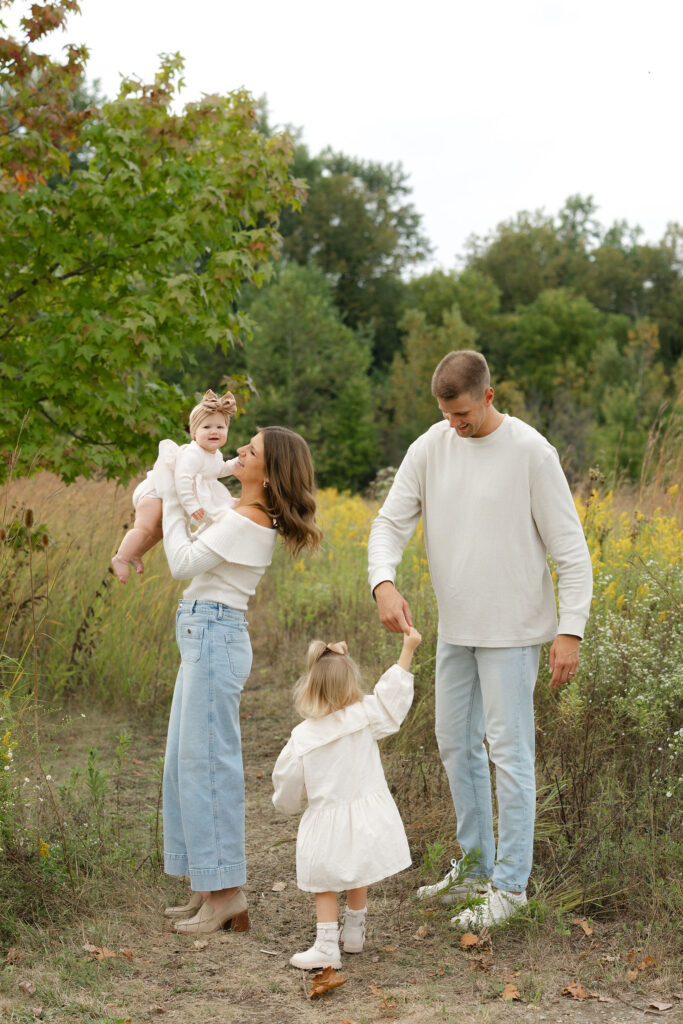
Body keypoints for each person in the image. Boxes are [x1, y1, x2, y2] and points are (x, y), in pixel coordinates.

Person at [368, 350, 593, 929]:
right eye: (446, 413)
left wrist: (569, 631)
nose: (454, 424)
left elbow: (571, 553)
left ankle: (511, 887)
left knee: (510, 756)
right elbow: (390, 522)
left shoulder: (531, 453)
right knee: (454, 745)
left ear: (488, 396)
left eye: (463, 413)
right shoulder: (430, 447)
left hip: (514, 633)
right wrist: (384, 584)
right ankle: (473, 869)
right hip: (456, 630)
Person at [158, 425, 322, 936]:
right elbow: (202, 495)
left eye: (251, 450)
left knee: (208, 765)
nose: (239, 451)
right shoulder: (238, 510)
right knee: (184, 763)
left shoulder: (249, 520)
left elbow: (181, 562)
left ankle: (227, 893)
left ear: (268, 474)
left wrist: (165, 496)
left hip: (214, 637)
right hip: (203, 636)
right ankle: (208, 887)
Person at [272, 627, 422, 969]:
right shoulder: (364, 714)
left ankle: (327, 945)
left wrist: (287, 805)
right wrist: (407, 650)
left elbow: (288, 786)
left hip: (327, 822)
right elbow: (391, 699)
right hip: (366, 818)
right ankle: (354, 931)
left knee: (325, 880)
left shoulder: (303, 737)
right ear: (351, 684)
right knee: (358, 869)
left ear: (310, 686)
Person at [111, 389, 237, 584]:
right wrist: (192, 506)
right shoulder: (194, 453)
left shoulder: (214, 455)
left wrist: (237, 463)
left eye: (220, 427)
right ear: (194, 432)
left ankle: (135, 553)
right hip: (154, 492)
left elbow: (220, 469)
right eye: (207, 427)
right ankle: (120, 557)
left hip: (163, 495)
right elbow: (183, 480)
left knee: (159, 531)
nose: (215, 431)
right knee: (144, 528)